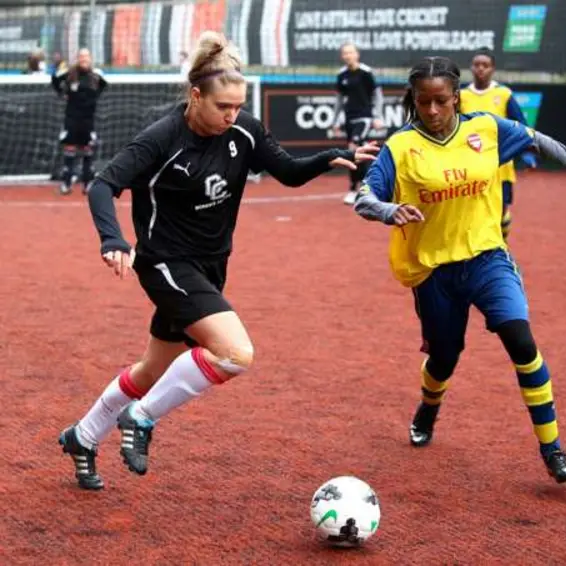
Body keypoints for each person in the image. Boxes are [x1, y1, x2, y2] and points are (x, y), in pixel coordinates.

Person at [58, 31, 377, 490]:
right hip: (166, 263)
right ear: (194, 95)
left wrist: (333, 157)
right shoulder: (162, 138)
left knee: (153, 370)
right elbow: (103, 185)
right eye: (222, 106)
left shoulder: (242, 128)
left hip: (210, 265)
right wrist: (114, 240)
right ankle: (141, 419)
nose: (232, 115)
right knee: (234, 353)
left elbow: (285, 171)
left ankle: (82, 437)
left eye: (236, 106)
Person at [354, 56, 566, 484]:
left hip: (487, 256)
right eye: (423, 102)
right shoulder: (401, 146)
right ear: (413, 101)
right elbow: (364, 197)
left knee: (520, 339)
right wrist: (388, 209)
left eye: (440, 101)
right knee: (444, 356)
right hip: (433, 271)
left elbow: (540, 140)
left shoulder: (486, 129)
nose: (432, 111)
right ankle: (428, 409)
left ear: (455, 97)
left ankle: (553, 448)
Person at [460, 48, 537, 239]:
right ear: (471, 67)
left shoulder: (503, 94)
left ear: (492, 69)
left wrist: (528, 155)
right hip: (469, 164)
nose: (480, 69)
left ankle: (502, 245)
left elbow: (521, 127)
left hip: (500, 164)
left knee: (500, 210)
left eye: (485, 65)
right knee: (471, 210)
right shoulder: (461, 95)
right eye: (477, 65)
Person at [331, 42, 384, 205]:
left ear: (357, 54)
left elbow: (377, 95)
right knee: (358, 154)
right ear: (342, 56)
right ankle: (365, 188)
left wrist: (377, 116)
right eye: (345, 53)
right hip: (349, 119)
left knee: (354, 149)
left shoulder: (366, 73)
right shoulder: (342, 75)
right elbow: (339, 100)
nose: (348, 56)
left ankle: (354, 189)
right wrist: (335, 121)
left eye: (351, 52)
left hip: (364, 118)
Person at [51, 48, 107, 196]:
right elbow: (55, 79)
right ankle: (66, 183)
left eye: (86, 56)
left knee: (88, 151)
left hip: (88, 119)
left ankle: (87, 184)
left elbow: (103, 85)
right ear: (77, 58)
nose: (83, 59)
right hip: (71, 118)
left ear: (90, 58)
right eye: (81, 56)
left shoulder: (96, 75)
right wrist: (62, 93)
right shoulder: (70, 74)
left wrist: (94, 97)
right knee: (69, 150)